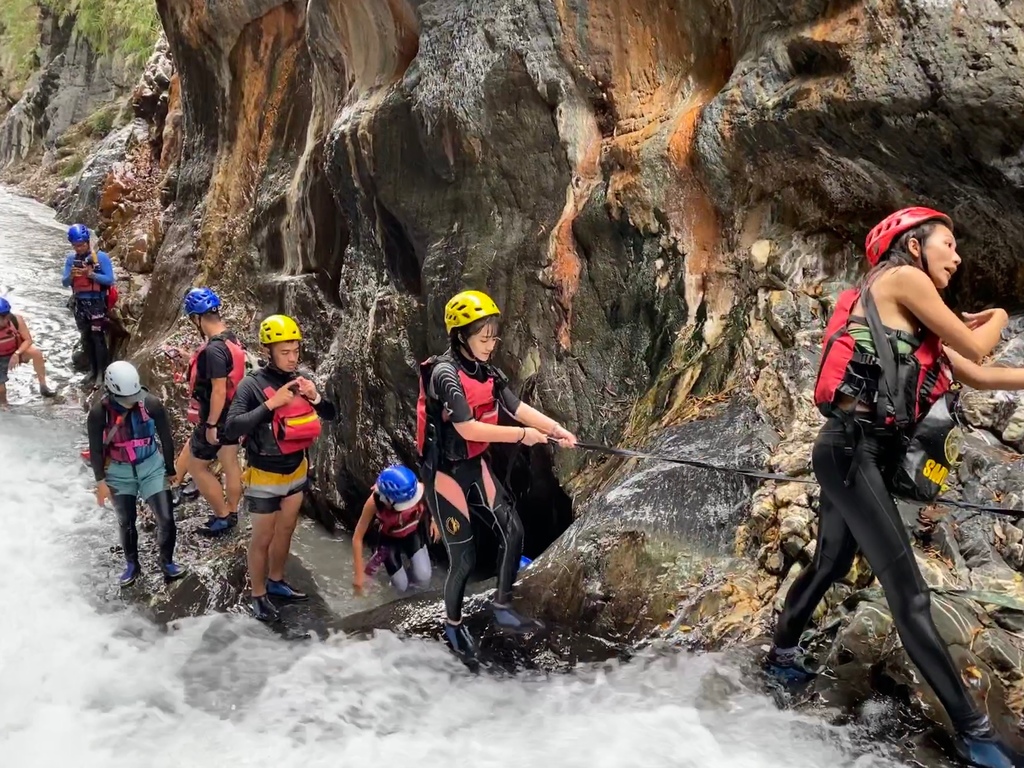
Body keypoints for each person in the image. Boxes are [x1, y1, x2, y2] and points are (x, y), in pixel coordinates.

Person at [765, 207, 1024, 768]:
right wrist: (1001, 313)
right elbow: (981, 348)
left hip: (860, 455)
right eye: (948, 244)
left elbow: (978, 374)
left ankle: (781, 654)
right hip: (852, 450)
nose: (957, 257)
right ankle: (975, 733)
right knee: (910, 594)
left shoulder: (910, 315)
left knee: (831, 563)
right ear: (913, 247)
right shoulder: (902, 279)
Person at [416, 289, 577, 660]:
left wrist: (556, 430)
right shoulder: (445, 375)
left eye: (493, 336)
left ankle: (503, 607)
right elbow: (469, 429)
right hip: (444, 473)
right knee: (465, 558)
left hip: (473, 464)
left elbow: (516, 407)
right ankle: (452, 626)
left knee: (514, 530)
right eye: (483, 337)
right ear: (462, 336)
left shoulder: (486, 370)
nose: (491, 344)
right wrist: (524, 437)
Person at [224, 314, 336, 622]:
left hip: (296, 470)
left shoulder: (301, 380)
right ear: (267, 352)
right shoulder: (252, 385)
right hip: (264, 474)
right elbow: (231, 428)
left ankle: (276, 580)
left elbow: (331, 414)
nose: (292, 358)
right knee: (262, 538)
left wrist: (316, 397)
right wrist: (271, 405)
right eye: (284, 352)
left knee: (286, 529)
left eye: (295, 351)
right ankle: (258, 594)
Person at [86, 360, 186, 586]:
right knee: (126, 521)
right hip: (119, 472)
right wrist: (100, 481)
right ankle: (132, 565)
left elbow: (166, 440)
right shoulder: (99, 413)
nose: (130, 403)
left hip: (151, 465)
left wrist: (170, 470)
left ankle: (167, 562)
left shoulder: (151, 404)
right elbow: (96, 449)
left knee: (167, 518)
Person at [182, 287, 247, 535]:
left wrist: (210, 425)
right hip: (235, 414)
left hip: (218, 418)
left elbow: (218, 390)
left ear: (197, 318)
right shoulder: (231, 338)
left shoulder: (213, 350)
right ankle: (231, 510)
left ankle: (222, 515)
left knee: (196, 468)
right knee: (229, 462)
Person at [352, 464, 439, 594]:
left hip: (412, 535)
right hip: (389, 541)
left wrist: (435, 520)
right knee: (400, 585)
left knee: (423, 577)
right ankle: (377, 560)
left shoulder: (419, 490)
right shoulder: (375, 501)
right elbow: (357, 538)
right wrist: (359, 575)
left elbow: (435, 498)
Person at [61, 224, 115, 387]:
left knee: (97, 338)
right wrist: (71, 275)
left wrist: (91, 275)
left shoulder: (101, 257)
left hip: (97, 302)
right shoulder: (71, 259)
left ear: (88, 241)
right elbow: (64, 282)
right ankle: (92, 370)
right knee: (86, 338)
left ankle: (101, 373)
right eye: (75, 246)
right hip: (80, 303)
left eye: (81, 245)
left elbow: (109, 279)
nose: (79, 248)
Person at [0, 297, 55, 403]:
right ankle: (4, 408)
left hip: (14, 352)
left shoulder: (16, 320)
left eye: (7, 315)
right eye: (3, 317)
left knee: (36, 353)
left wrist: (17, 353)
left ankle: (43, 386)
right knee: (1, 390)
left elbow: (28, 340)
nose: (6, 319)